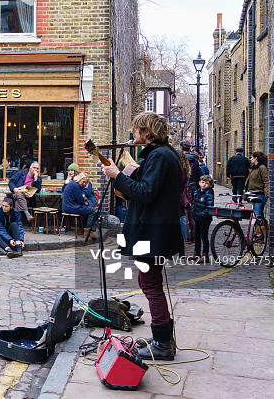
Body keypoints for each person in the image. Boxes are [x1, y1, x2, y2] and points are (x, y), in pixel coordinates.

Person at [101, 111, 184, 361]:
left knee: (150, 285)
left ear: (147, 132)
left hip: (153, 231)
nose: (133, 133)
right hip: (155, 230)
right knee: (150, 283)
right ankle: (162, 338)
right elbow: (146, 188)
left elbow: (145, 192)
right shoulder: (161, 155)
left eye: (136, 129)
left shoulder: (159, 155)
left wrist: (117, 177)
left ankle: (162, 343)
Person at [62, 173, 97, 239]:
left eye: (85, 183)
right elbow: (80, 199)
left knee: (89, 210)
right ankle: (88, 231)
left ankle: (85, 230)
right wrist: (85, 202)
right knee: (93, 211)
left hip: (67, 207)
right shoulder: (75, 186)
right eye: (83, 182)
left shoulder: (73, 183)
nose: (83, 184)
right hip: (70, 207)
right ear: (79, 179)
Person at [192, 175, 214, 262]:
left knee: (203, 236)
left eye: (206, 183)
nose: (204, 184)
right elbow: (195, 204)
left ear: (210, 185)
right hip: (197, 217)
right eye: (202, 182)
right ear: (199, 183)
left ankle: (205, 255)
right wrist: (194, 214)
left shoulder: (209, 193)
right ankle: (196, 253)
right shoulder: (197, 192)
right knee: (196, 236)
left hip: (205, 219)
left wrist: (202, 214)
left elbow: (209, 207)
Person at [245, 151, 269, 219]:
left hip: (259, 194)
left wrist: (266, 193)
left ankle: (262, 228)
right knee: (257, 213)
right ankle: (260, 227)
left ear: (256, 158)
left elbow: (266, 180)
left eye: (252, 157)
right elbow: (249, 182)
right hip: (253, 193)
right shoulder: (253, 168)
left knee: (258, 213)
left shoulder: (262, 168)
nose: (250, 159)